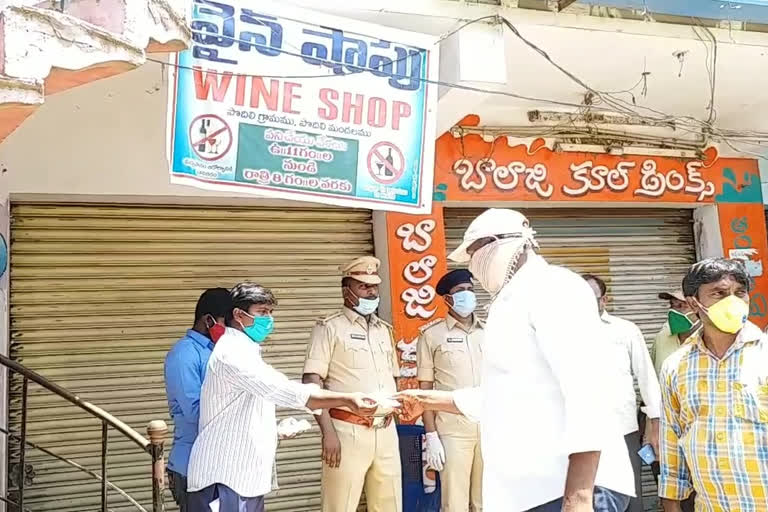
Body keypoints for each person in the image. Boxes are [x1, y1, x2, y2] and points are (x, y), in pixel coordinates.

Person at [395, 209, 634, 512]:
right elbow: (508, 396)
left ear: (498, 244)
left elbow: (587, 389)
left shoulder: (553, 287)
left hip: (569, 488)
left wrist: (579, 497)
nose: (473, 268)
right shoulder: (509, 302)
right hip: (532, 492)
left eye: (473, 256)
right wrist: (429, 400)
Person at [186, 282, 380, 512]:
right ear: (238, 315)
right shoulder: (232, 355)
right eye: (262, 313)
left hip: (243, 478)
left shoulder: (246, 351)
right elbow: (286, 391)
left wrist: (274, 430)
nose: (268, 320)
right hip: (225, 478)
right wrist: (348, 399)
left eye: (270, 312)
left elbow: (238, 410)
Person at [659, 258, 768, 511]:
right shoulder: (676, 366)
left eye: (740, 293)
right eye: (718, 294)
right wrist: (671, 505)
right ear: (694, 303)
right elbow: (672, 444)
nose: (732, 301)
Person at [303, 256, 402, 512]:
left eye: (373, 287)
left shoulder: (384, 330)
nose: (371, 292)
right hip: (347, 431)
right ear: (347, 291)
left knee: (389, 504)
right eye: (362, 287)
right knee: (340, 505)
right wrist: (328, 433)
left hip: (386, 430)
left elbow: (393, 378)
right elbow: (312, 380)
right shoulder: (329, 327)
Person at [583, 274, 662, 512]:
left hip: (622, 429)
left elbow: (647, 377)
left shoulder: (625, 330)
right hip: (581, 430)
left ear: (604, 299)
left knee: (631, 494)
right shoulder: (562, 333)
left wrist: (655, 425)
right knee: (587, 494)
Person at [417, 269, 485, 512]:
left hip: (489, 428)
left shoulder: (488, 332)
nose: (467, 295)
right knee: (454, 503)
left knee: (487, 502)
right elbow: (424, 390)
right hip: (453, 430)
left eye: (469, 290)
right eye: (459, 292)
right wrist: (431, 436)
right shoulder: (431, 335)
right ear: (447, 299)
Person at [164, 288, 232, 511]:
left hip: (219, 465)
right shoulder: (185, 354)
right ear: (208, 320)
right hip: (193, 466)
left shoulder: (218, 350)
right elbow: (196, 412)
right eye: (226, 322)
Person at [649, 290, 698, 512]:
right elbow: (651, 382)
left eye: (681, 305)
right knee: (671, 489)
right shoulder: (663, 336)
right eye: (672, 305)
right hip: (666, 425)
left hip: (697, 426)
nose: (675, 310)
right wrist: (650, 428)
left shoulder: (713, 338)